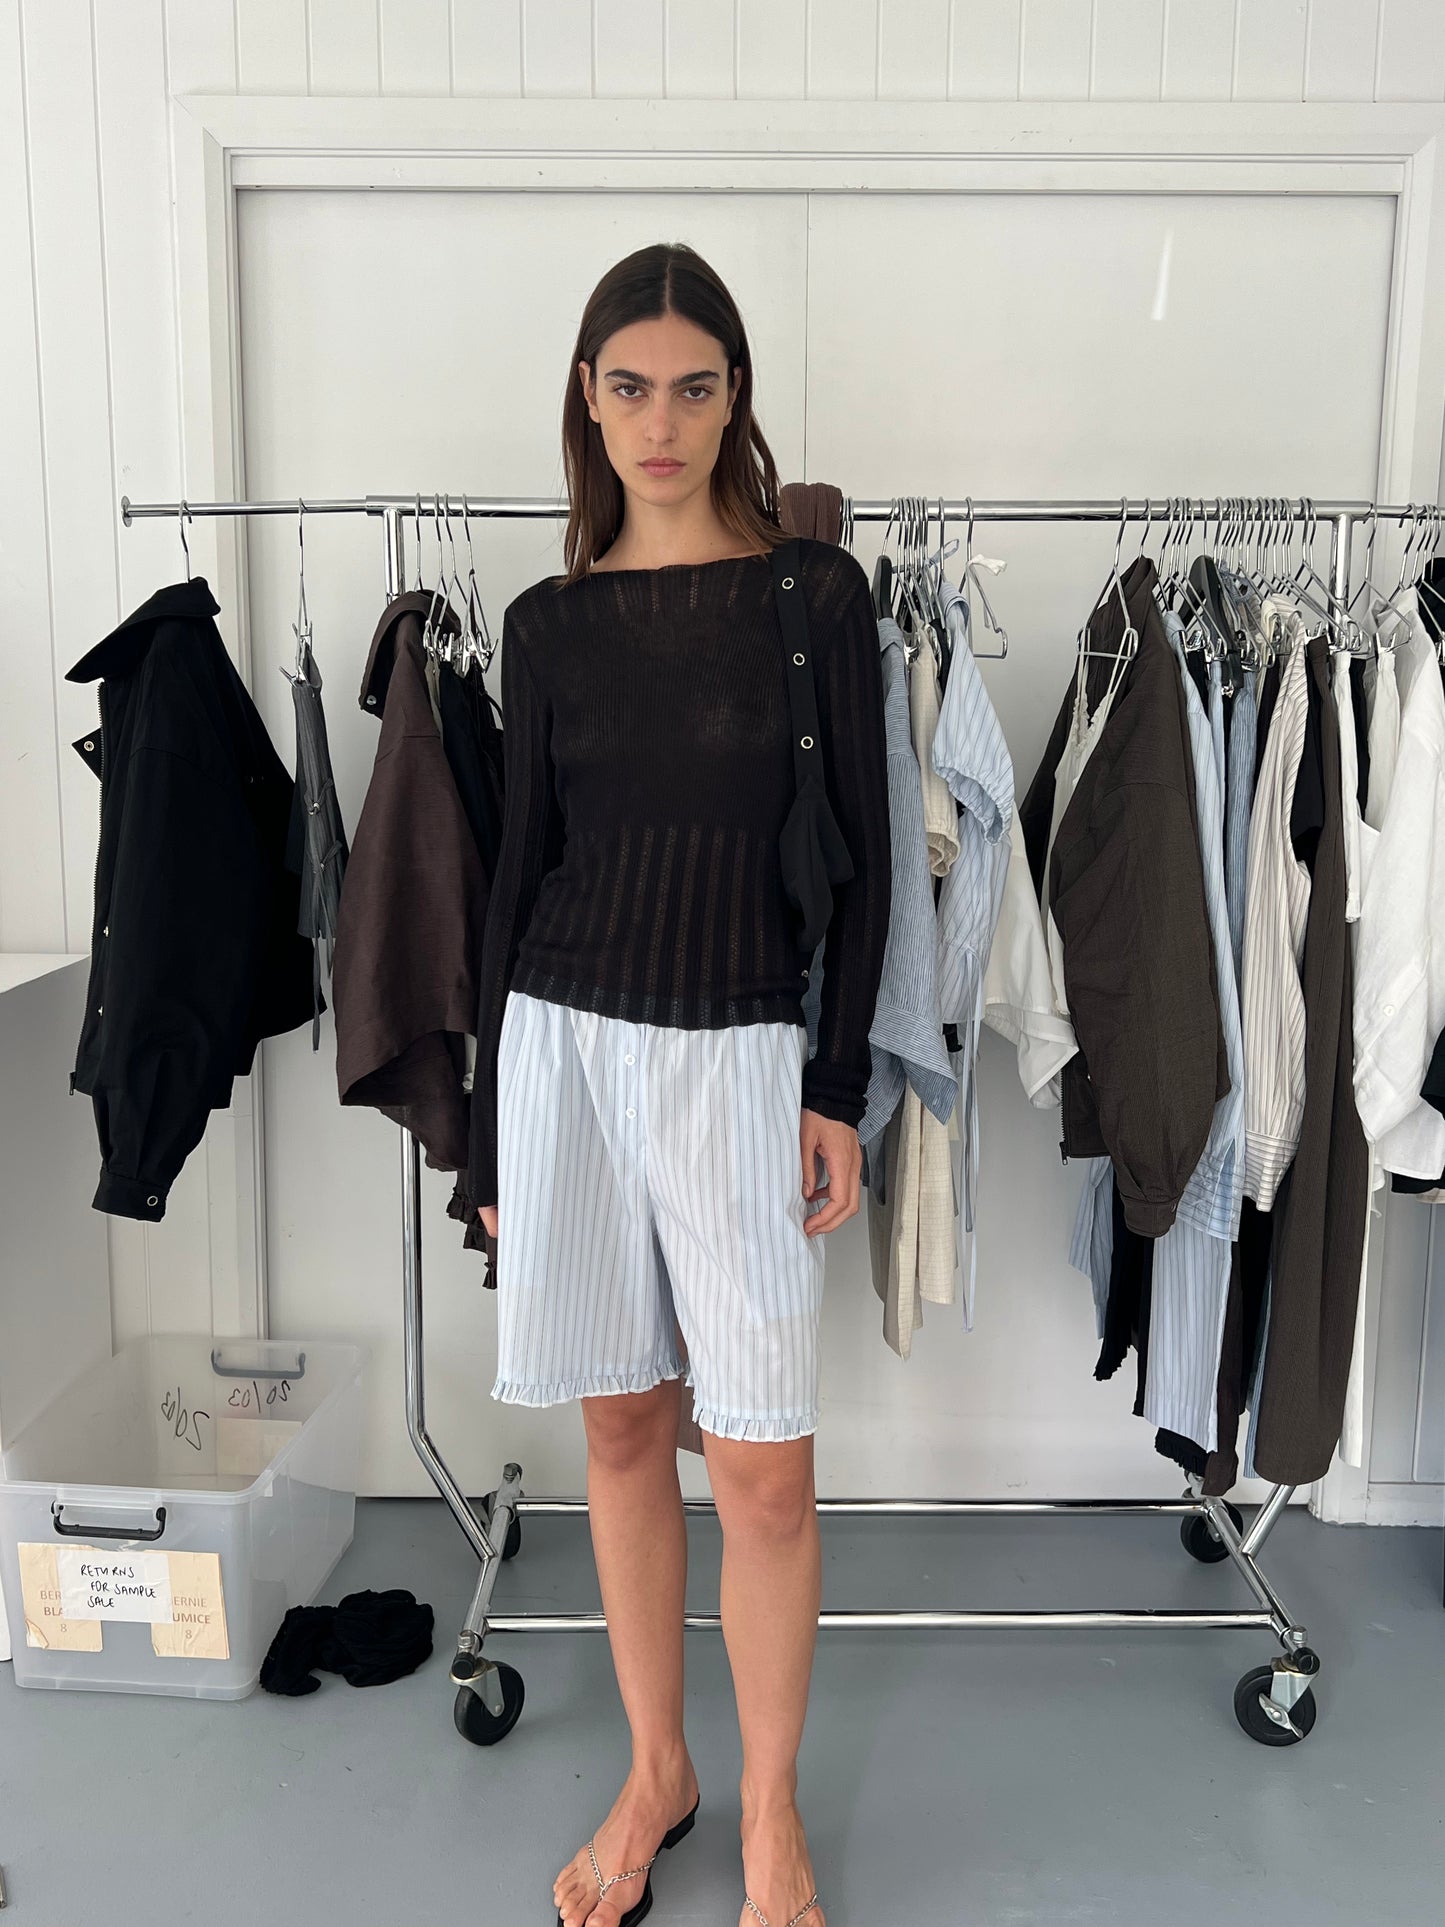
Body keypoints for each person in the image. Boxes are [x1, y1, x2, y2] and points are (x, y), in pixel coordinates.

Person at [470, 241, 890, 1927]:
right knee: (625, 1422)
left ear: (735, 398)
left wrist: (839, 1079)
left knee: (763, 1461)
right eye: (630, 386)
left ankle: (770, 1812)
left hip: (738, 1053)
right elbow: (513, 884)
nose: (662, 421)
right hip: (567, 1044)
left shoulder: (810, 600)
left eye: (695, 386)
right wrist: (491, 1118)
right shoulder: (546, 625)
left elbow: (863, 871)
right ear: (588, 397)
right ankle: (661, 1770)